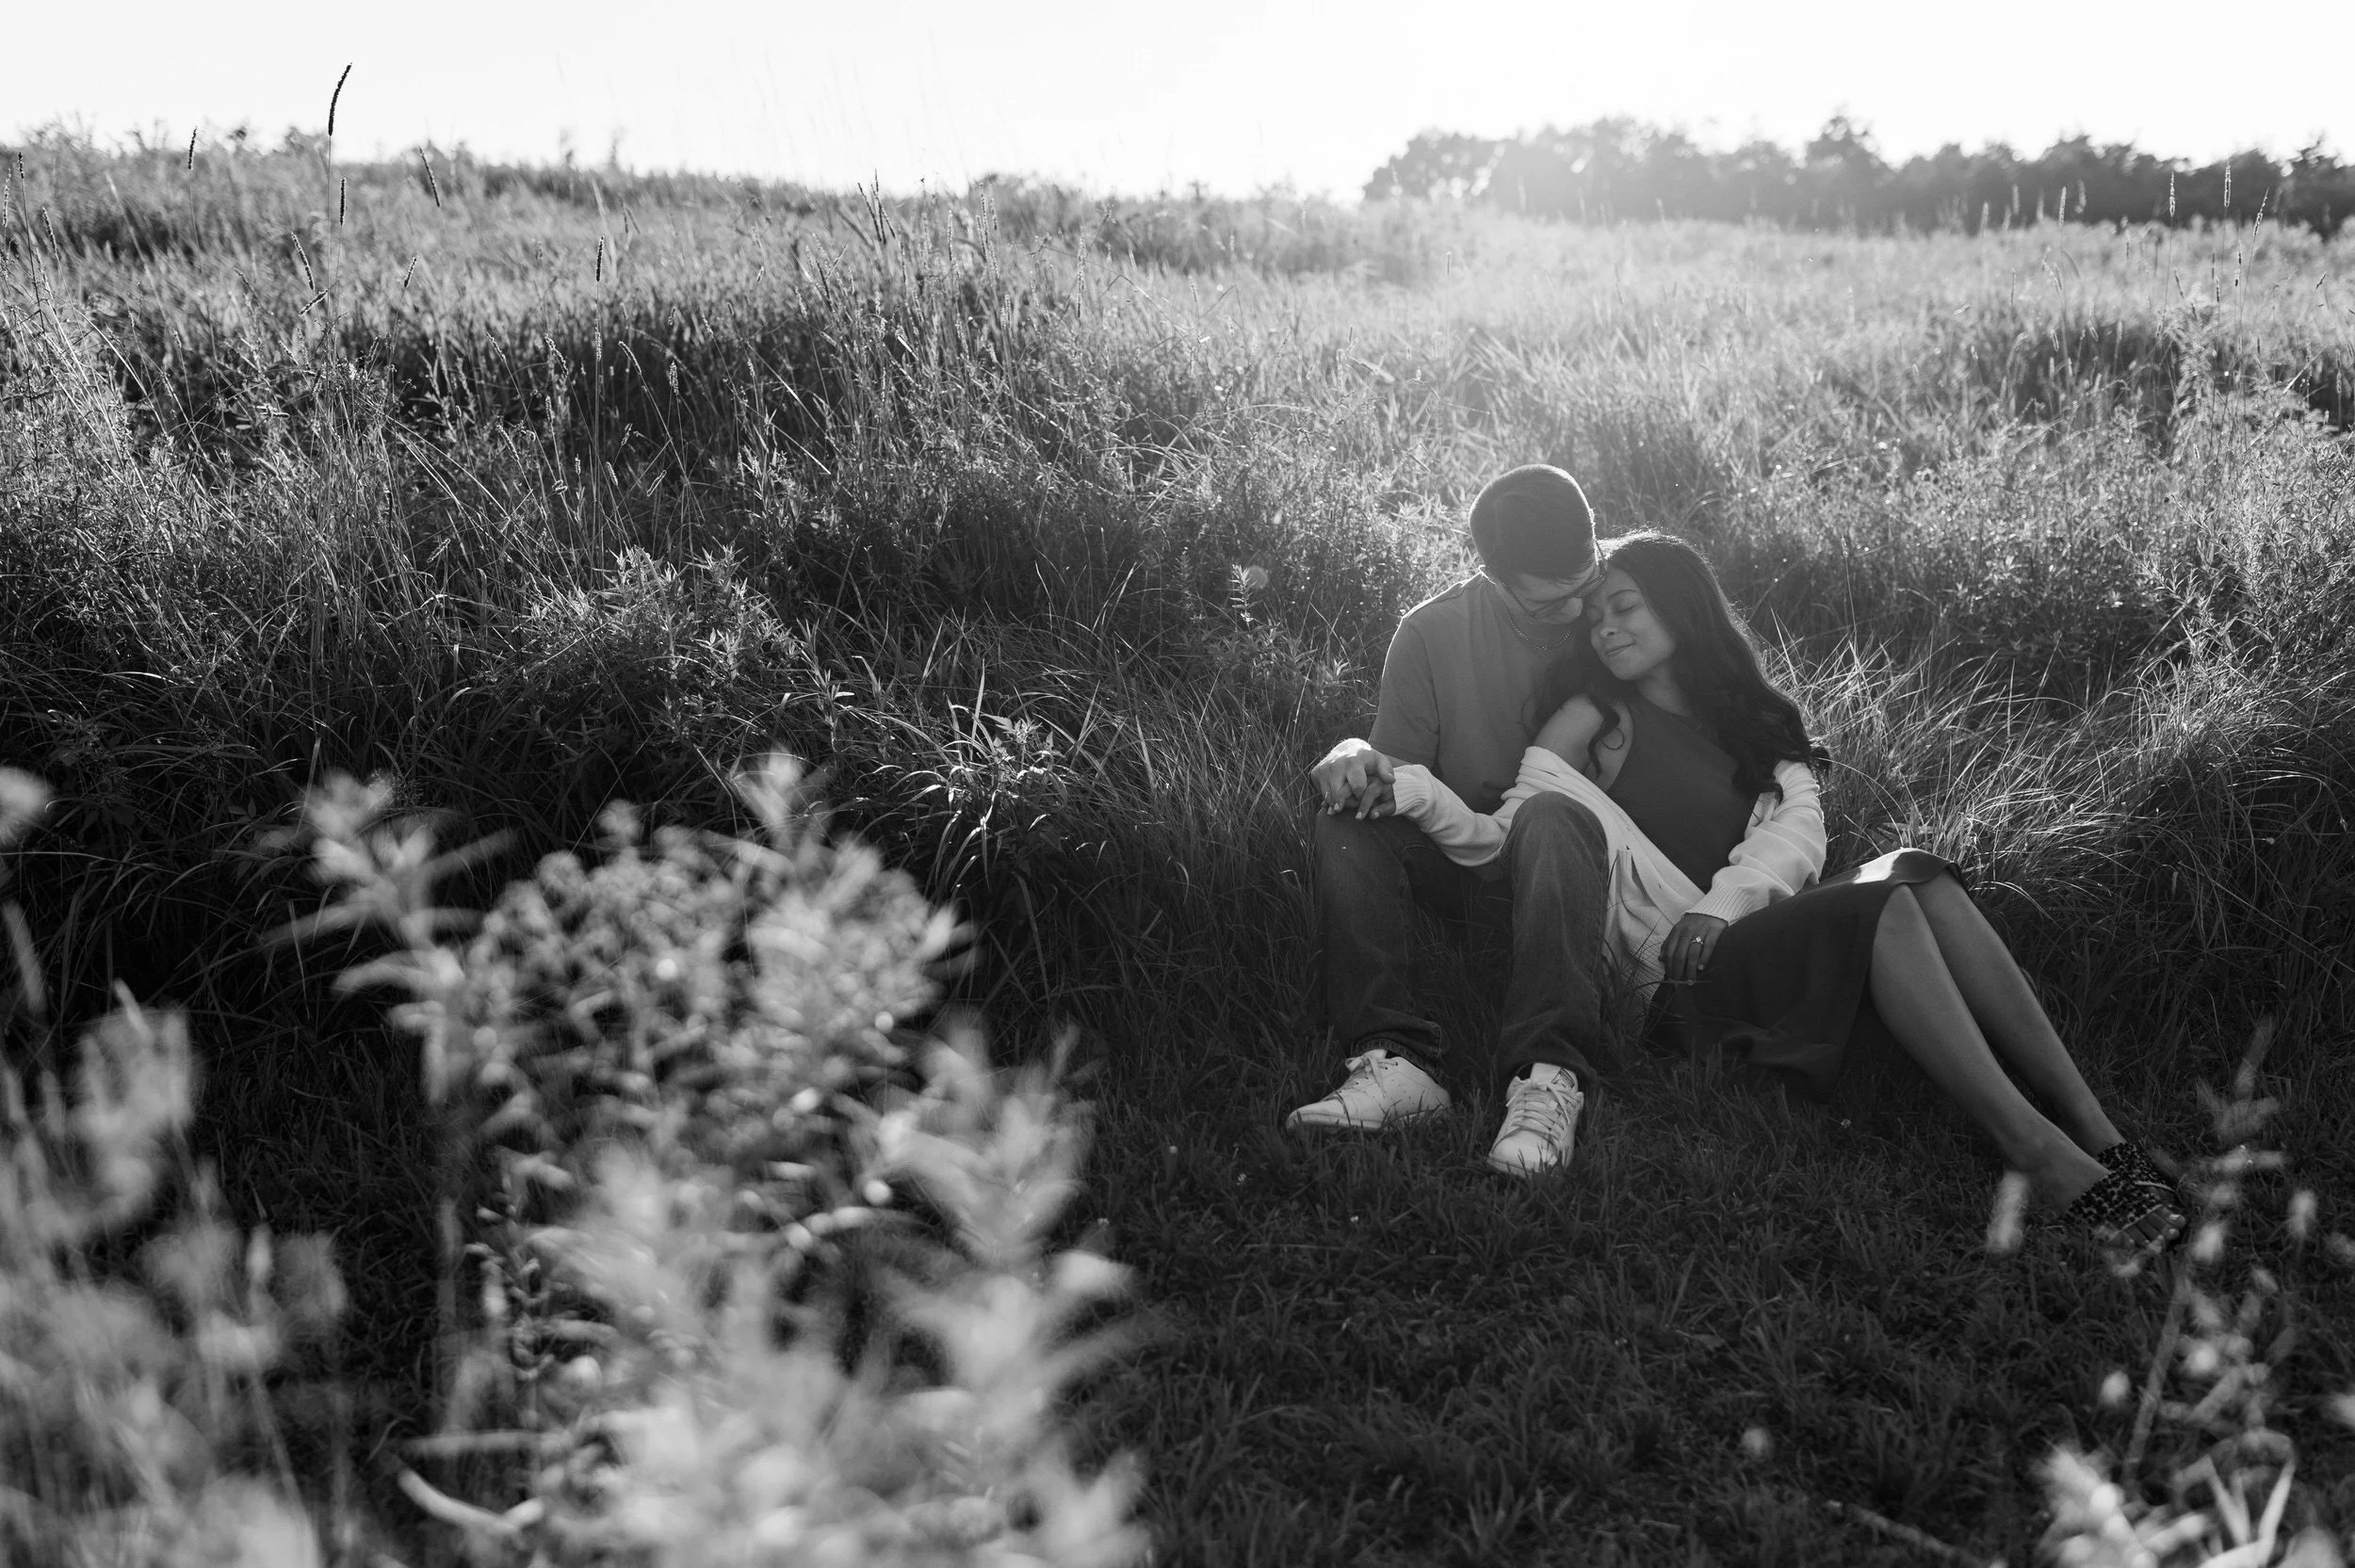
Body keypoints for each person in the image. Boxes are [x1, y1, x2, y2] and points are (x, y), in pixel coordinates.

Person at [1379, 530, 2185, 1255]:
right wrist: (1411, 788)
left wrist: (1720, 903)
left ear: (1682, 608)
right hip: (1667, 977)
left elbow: (1799, 836)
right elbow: (1511, 834)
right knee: (1891, 898)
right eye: (1596, 619)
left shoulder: (1757, 725)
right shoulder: (1595, 715)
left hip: (1728, 939)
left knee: (1918, 875)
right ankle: (2034, 1146)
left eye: (1624, 607)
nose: (1605, 627)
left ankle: (2094, 1127)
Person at [1289, 462, 1617, 1178]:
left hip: (1581, 870)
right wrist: (1352, 753)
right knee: (1349, 819)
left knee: (1553, 817)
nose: (1575, 613)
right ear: (1495, 577)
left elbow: (1710, 687)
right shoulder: (1433, 633)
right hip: (1463, 862)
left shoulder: (1619, 604)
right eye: (1548, 605)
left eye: (1584, 585)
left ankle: (1549, 1077)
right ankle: (1396, 1061)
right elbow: (1395, 785)